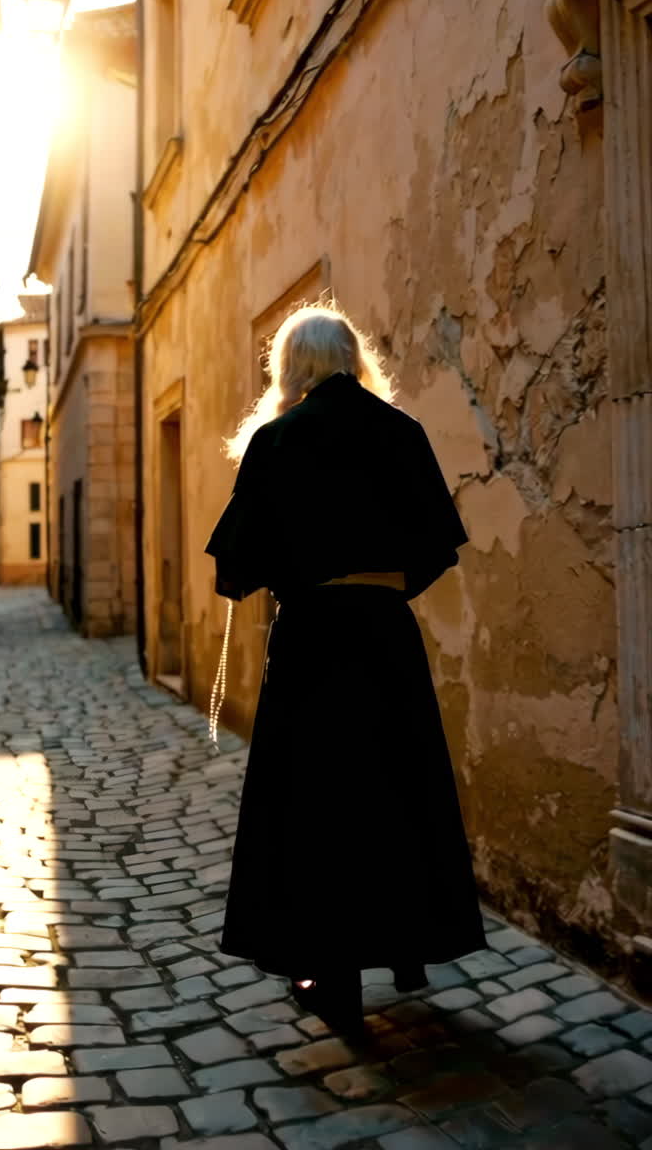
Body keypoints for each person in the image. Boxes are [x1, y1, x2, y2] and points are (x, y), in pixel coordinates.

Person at [205, 302, 487, 1038]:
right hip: (385, 636)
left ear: (291, 369)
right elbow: (436, 548)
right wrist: (379, 588)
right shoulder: (401, 432)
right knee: (391, 794)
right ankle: (392, 948)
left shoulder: (278, 439)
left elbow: (235, 564)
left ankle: (331, 978)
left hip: (314, 642)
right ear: (354, 360)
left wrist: (300, 576)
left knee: (316, 805)